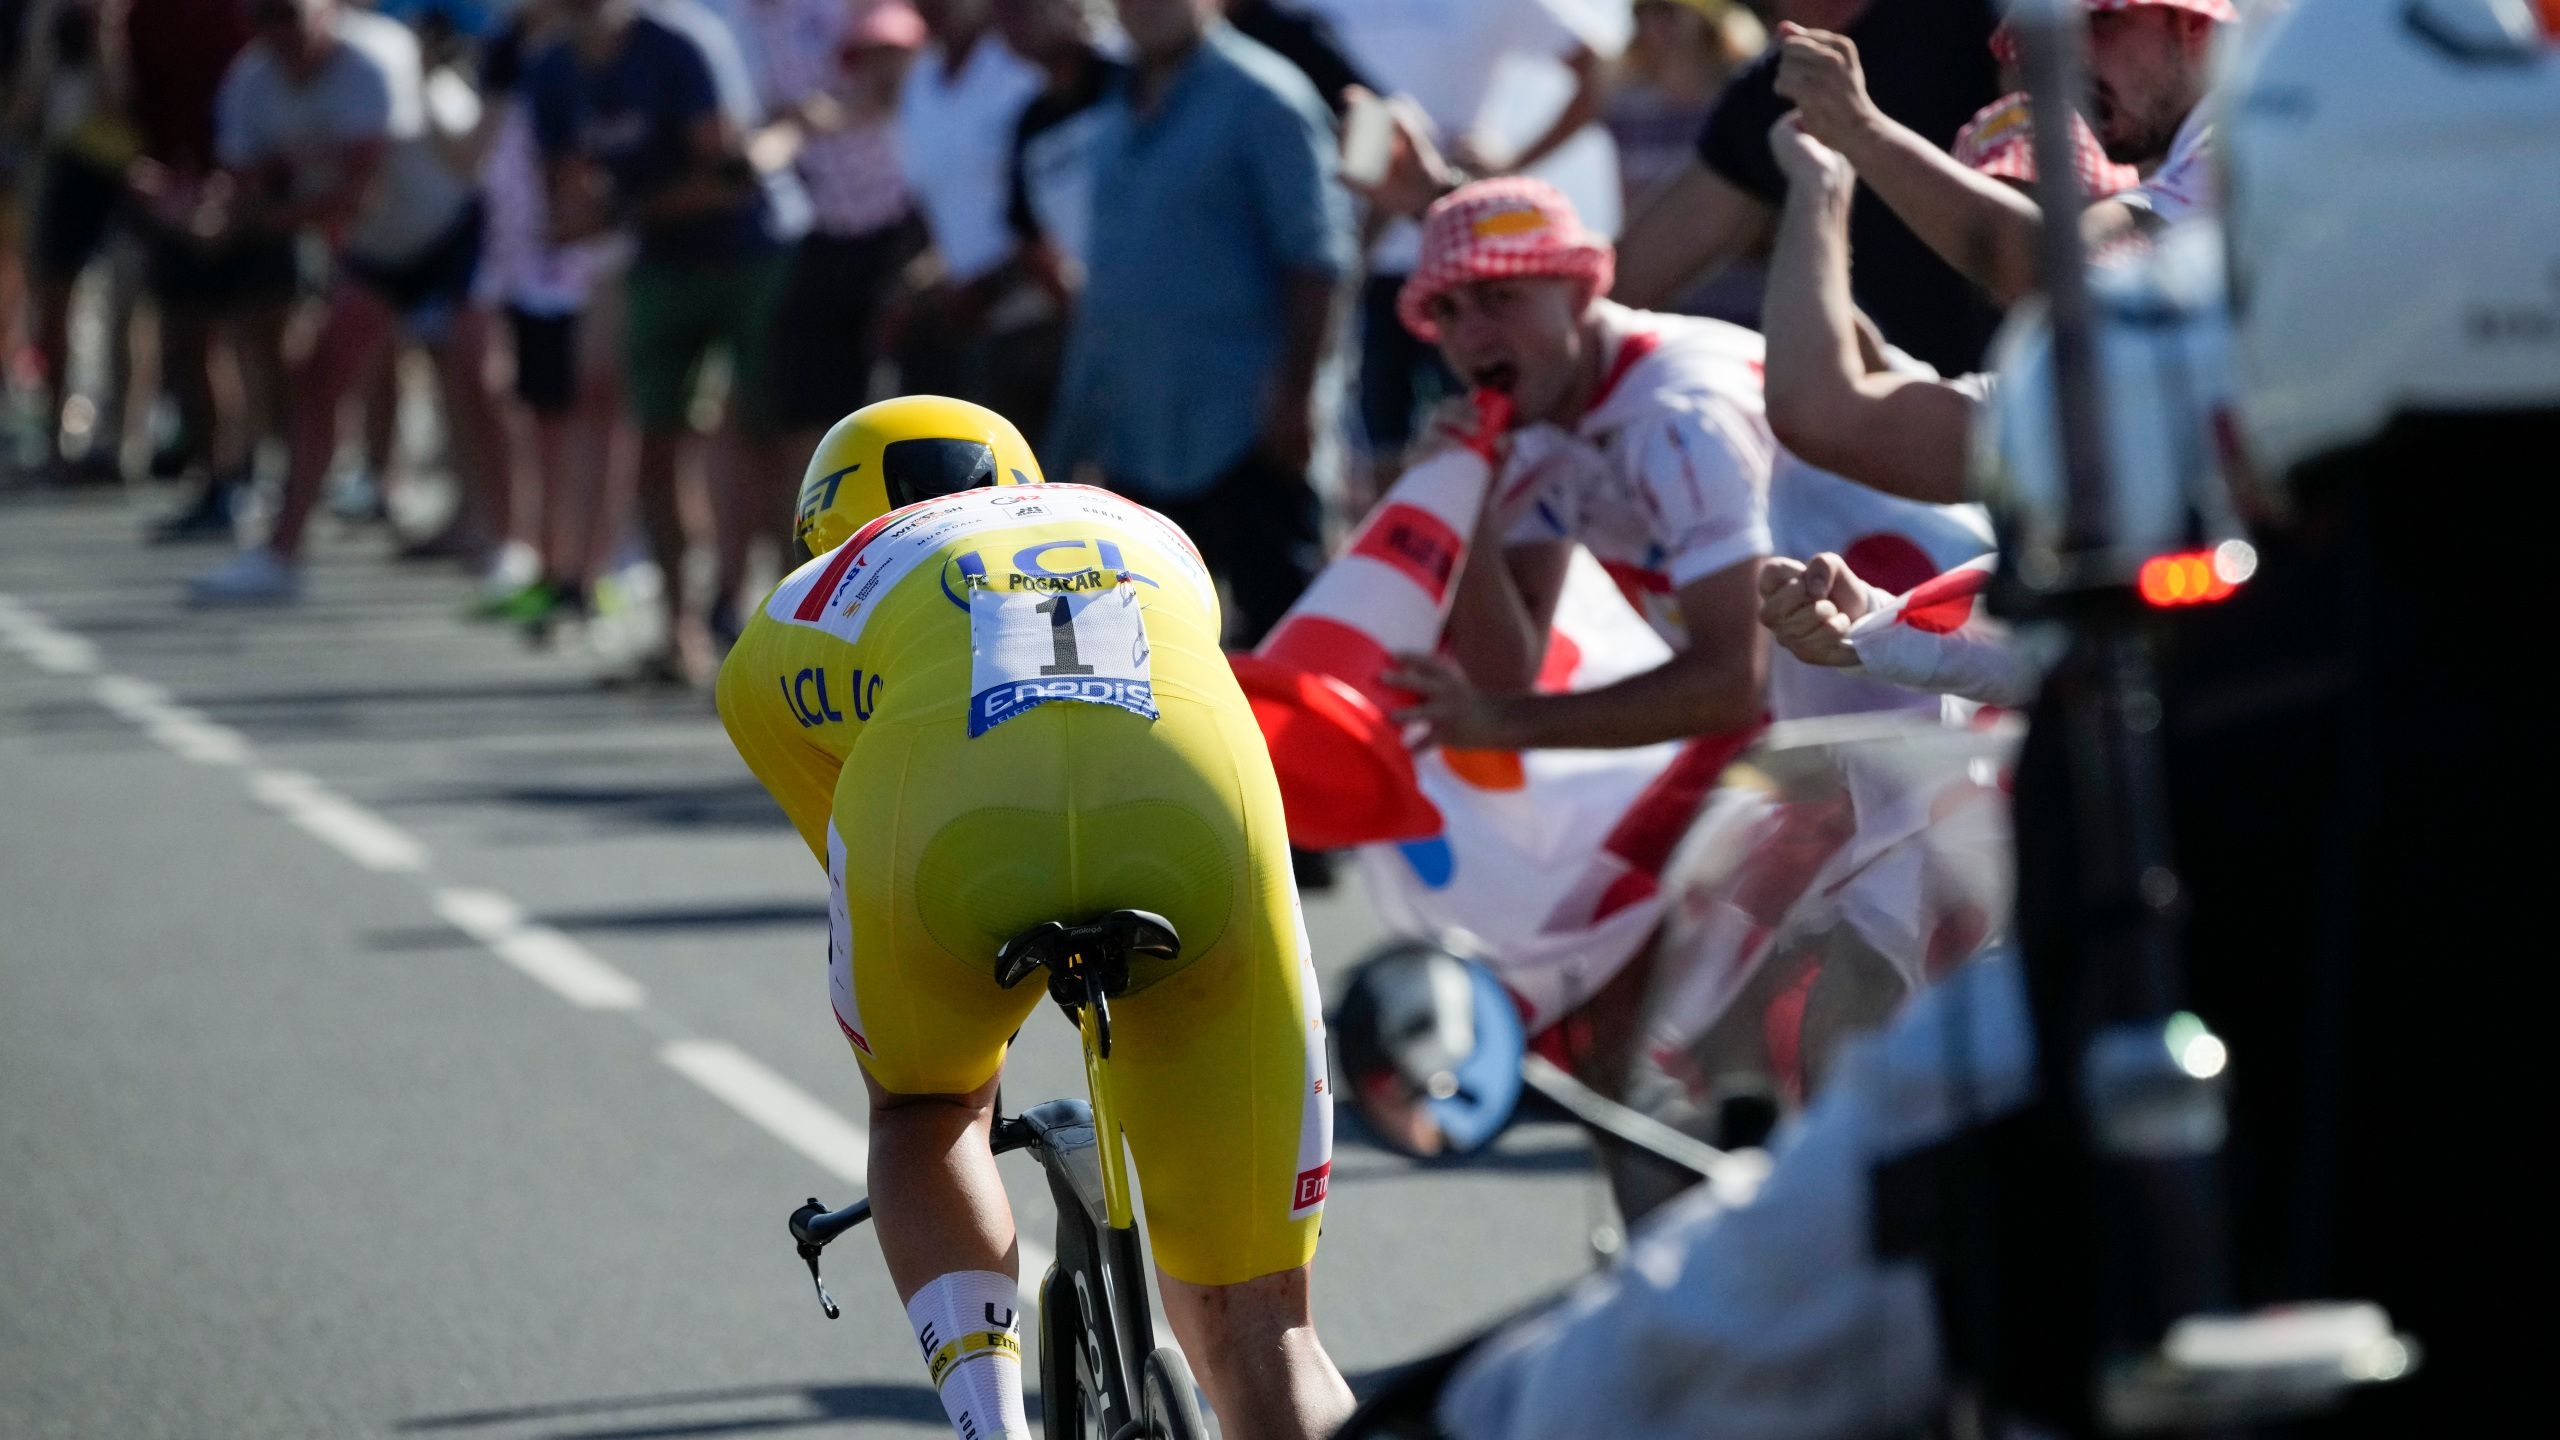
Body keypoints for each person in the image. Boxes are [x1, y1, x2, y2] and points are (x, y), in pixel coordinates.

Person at [716, 395, 1355, 1440]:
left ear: (831, 523)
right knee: (1265, 1332)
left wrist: (971, 1031)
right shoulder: (1143, 527)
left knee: (928, 1110)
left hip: (955, 827)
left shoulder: (802, 600)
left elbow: (854, 865)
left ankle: (988, 1424)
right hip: (1191, 806)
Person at [1379, 176, 1986, 753]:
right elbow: (1506, 677)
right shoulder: (1539, 420)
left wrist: (1500, 725)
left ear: (1580, 290)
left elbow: (1730, 686)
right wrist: (1463, 514)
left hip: (1954, 704)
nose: (1471, 337)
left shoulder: (1676, 418)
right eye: (1447, 313)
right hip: (1851, 715)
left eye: (1500, 298)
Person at [1047, 0, 1354, 646]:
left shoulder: (1265, 96)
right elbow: (1105, 286)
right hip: (1138, 434)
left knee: (1284, 645)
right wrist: (1078, 428)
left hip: (1247, 430)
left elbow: (1318, 259)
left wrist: (1297, 396)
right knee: (1147, 661)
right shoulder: (1113, 110)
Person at [187, 0, 509, 605]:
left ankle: (506, 544)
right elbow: (240, 183)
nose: (278, 31)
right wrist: (208, 213)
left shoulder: (372, 58)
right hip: (383, 248)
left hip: (459, 226)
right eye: (262, 18)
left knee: (475, 373)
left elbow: (358, 192)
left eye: (288, 14)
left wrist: (245, 222)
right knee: (319, 371)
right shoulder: (251, 82)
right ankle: (281, 554)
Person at [523, 0, 809, 679]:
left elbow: (729, 177)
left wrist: (618, 209)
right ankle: (680, 632)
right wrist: (586, 214)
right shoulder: (552, 70)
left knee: (765, 437)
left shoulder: (682, 44)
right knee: (653, 440)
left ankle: (792, 636)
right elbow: (563, 197)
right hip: (660, 258)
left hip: (750, 252)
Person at [1311, 0, 1627, 476]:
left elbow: (1599, 73)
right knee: (1380, 463)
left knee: (1498, 460)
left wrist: (1508, 164)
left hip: (1474, 273)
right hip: (1354, 265)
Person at [1610, 0, 2001, 377]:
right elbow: (1627, 280)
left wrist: (1859, 132)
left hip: (2026, 394)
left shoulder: (1991, 24)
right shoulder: (1771, 93)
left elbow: (2029, 259)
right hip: (1908, 412)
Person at [1771, 0, 2228, 306]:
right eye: (2057, 36)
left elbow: (2042, 263)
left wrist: (1859, 130)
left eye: (2100, 21)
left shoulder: (2237, 142)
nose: (2073, 58)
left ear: (2191, 22)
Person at [119, 0, 300, 543]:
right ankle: (216, 481)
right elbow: (134, 107)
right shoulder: (140, 15)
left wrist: (237, 199)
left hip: (261, 190)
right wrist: (164, 190)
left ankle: (288, 481)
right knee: (188, 338)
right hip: (179, 190)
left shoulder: (247, 15)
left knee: (267, 339)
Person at [893, 0, 1043, 406]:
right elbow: (926, 200)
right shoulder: (920, 80)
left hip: (1043, 314)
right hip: (968, 323)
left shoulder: (1023, 66)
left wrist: (994, 281)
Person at [1602, 0, 1765, 324]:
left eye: (1666, 9)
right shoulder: (1626, 107)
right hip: (1669, 310)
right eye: (1642, 11)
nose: (1653, 22)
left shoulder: (1748, 99)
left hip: (1752, 303)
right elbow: (1634, 214)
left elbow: (1759, 218)